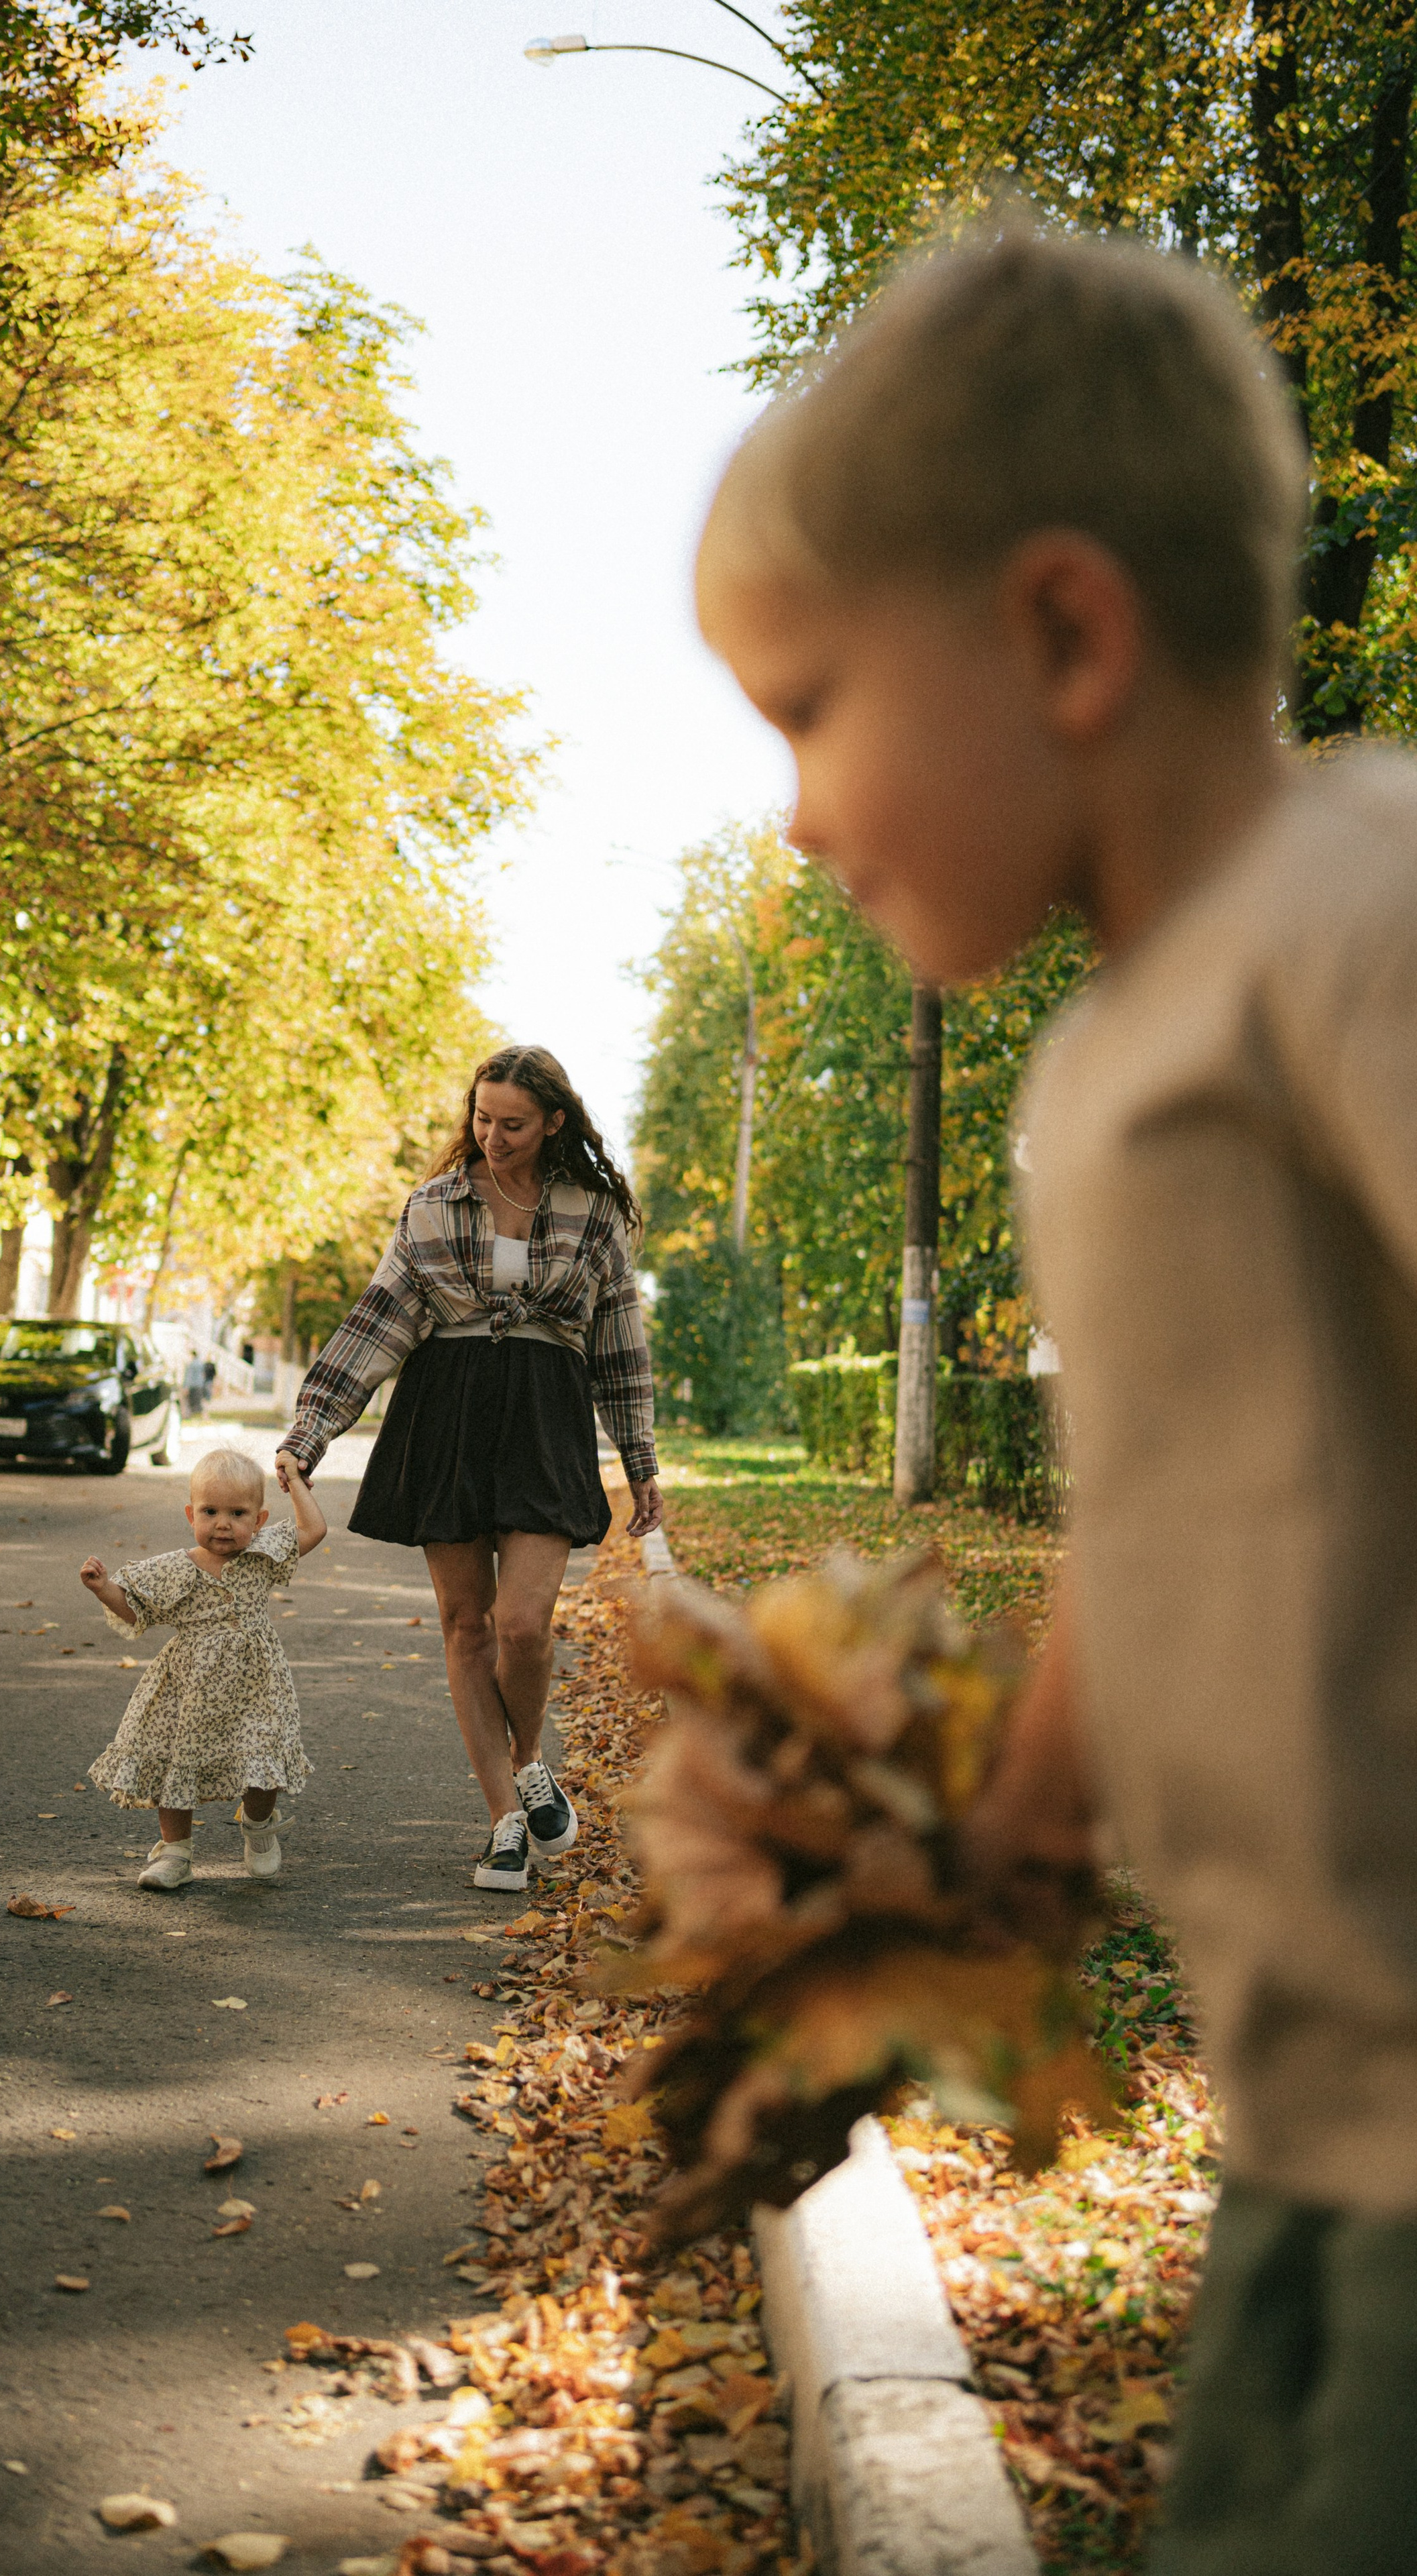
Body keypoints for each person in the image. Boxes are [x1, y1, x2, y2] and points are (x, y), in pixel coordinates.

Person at [696, 217, 1417, 2573]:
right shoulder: (1106, 1060)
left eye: (810, 708)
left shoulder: (1350, 911)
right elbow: (1155, 1510)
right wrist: (994, 1858)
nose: (796, 812)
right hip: (1316, 2124)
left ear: (1066, 635)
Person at [276, 1044, 661, 1896]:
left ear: (554, 1121)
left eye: (513, 1123)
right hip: (446, 1414)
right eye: (482, 1119)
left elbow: (619, 1345)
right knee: (465, 1626)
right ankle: (503, 1823)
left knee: (522, 1626)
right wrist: (310, 1433)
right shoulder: (431, 1207)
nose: (493, 1136)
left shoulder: (595, 1214)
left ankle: (529, 1763)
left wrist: (640, 1462)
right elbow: (376, 1323)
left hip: (545, 1420)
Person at [81, 1446, 325, 1890]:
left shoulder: (263, 1555)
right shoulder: (173, 1569)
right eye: (210, 1512)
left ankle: (259, 1825)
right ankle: (175, 1852)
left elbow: (314, 1529)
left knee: (262, 1760)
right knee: (176, 1762)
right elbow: (136, 1610)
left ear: (260, 1520)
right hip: (188, 1690)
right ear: (191, 1514)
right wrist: (103, 1589)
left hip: (255, 1689)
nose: (223, 1524)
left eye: (238, 1513)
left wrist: (294, 1480)